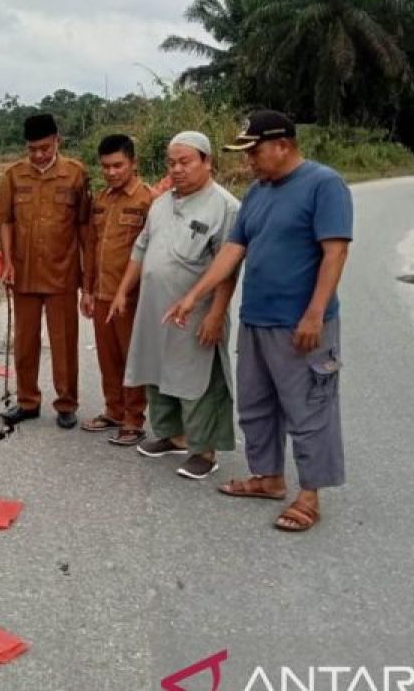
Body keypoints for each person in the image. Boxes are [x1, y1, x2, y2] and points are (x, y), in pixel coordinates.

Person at [165, 110, 352, 531]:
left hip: (302, 324)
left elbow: (335, 253)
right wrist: (194, 295)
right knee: (256, 404)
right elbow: (232, 252)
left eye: (254, 151)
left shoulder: (324, 185)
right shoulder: (257, 192)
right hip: (256, 320)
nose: (249, 160)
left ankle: (309, 495)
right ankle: (269, 478)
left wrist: (315, 313)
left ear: (282, 146)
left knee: (309, 408)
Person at [111, 132, 240, 477]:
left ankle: (205, 450)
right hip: (155, 308)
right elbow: (141, 249)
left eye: (186, 162)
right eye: (172, 163)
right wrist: (124, 291)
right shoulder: (161, 202)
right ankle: (172, 435)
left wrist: (215, 314)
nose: (177, 169)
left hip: (197, 312)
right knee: (156, 371)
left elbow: (227, 270)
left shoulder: (224, 207)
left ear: (207, 162)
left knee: (197, 381)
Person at [0, 112, 91, 429]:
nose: (38, 155)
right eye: (33, 149)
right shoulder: (13, 175)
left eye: (45, 148)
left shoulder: (76, 174)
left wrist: (87, 275)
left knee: (64, 343)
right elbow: (5, 220)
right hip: (23, 274)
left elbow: (85, 226)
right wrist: (7, 261)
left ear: (57, 141)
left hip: (62, 273)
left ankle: (66, 403)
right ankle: (27, 401)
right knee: (25, 342)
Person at [80, 134, 153, 446]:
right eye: (106, 167)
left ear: (133, 163)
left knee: (132, 358)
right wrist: (87, 290)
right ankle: (113, 409)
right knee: (108, 357)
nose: (111, 172)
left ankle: (134, 419)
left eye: (118, 165)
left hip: (133, 296)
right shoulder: (101, 200)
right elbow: (92, 246)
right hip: (101, 293)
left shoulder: (148, 201)